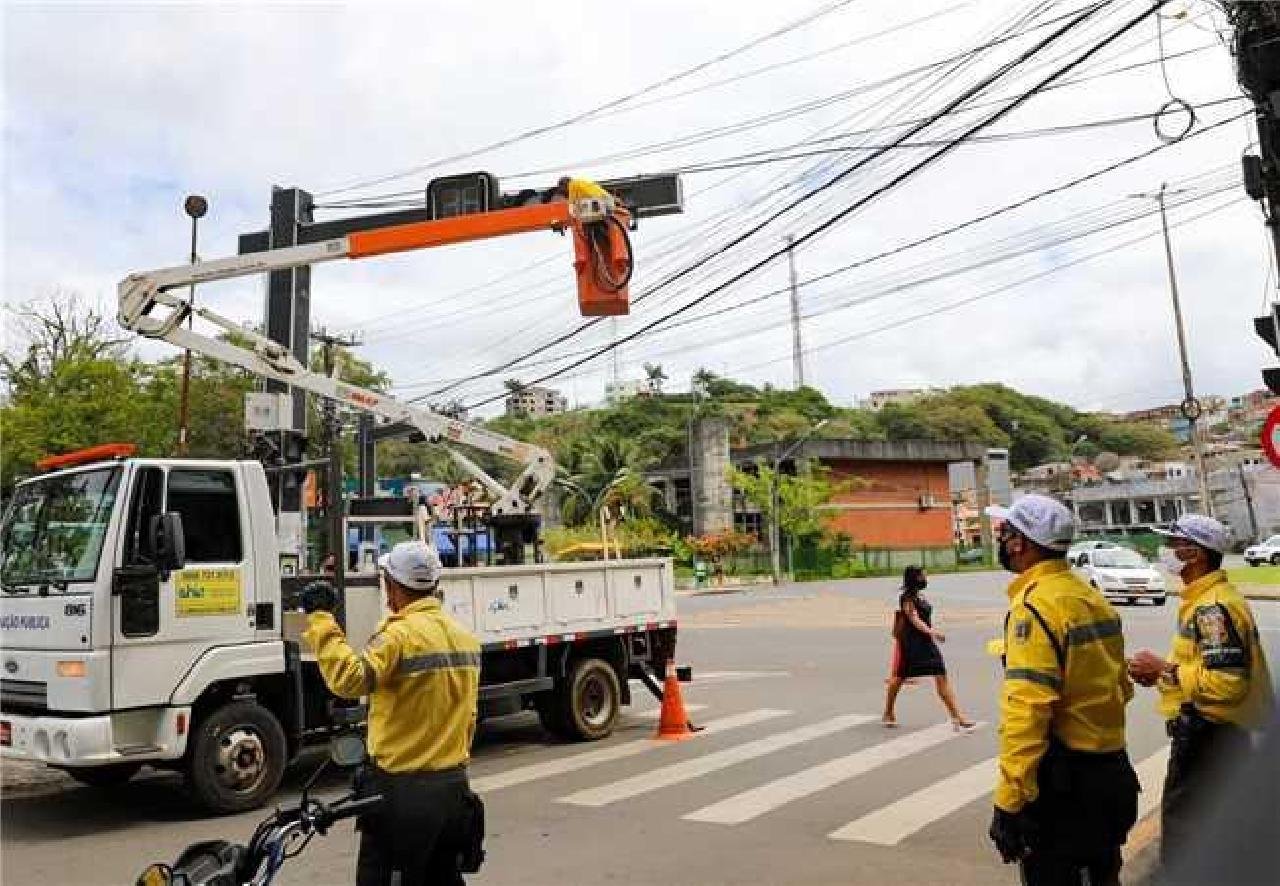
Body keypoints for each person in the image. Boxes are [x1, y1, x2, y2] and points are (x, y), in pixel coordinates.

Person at [301, 540, 483, 886]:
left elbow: (348, 680)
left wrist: (322, 620)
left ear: (391, 586)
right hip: (453, 790)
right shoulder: (465, 638)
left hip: (402, 794)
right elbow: (468, 716)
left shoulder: (398, 638)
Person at [984, 494, 1138, 886]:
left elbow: (1027, 712)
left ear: (1019, 542)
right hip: (1110, 774)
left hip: (1065, 791)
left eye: (1004, 532)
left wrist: (1010, 800)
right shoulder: (1091, 598)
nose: (1000, 540)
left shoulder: (1035, 608)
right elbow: (1121, 686)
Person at [1126, 514, 1274, 878]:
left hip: (1211, 736)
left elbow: (1227, 683)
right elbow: (1200, 668)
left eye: (1174, 544)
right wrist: (1163, 676)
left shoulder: (1212, 608)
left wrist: (1164, 669)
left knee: (1184, 833)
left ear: (1194, 554)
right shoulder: (1205, 599)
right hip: (1219, 734)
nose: (1167, 552)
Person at [881, 566, 975, 730]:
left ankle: (958, 716)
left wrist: (931, 634)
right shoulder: (907, 598)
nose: (926, 579)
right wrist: (933, 632)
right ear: (915, 578)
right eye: (923, 576)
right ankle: (888, 712)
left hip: (926, 642)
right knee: (899, 677)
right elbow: (914, 620)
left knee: (941, 675)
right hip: (911, 643)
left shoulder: (920, 596)